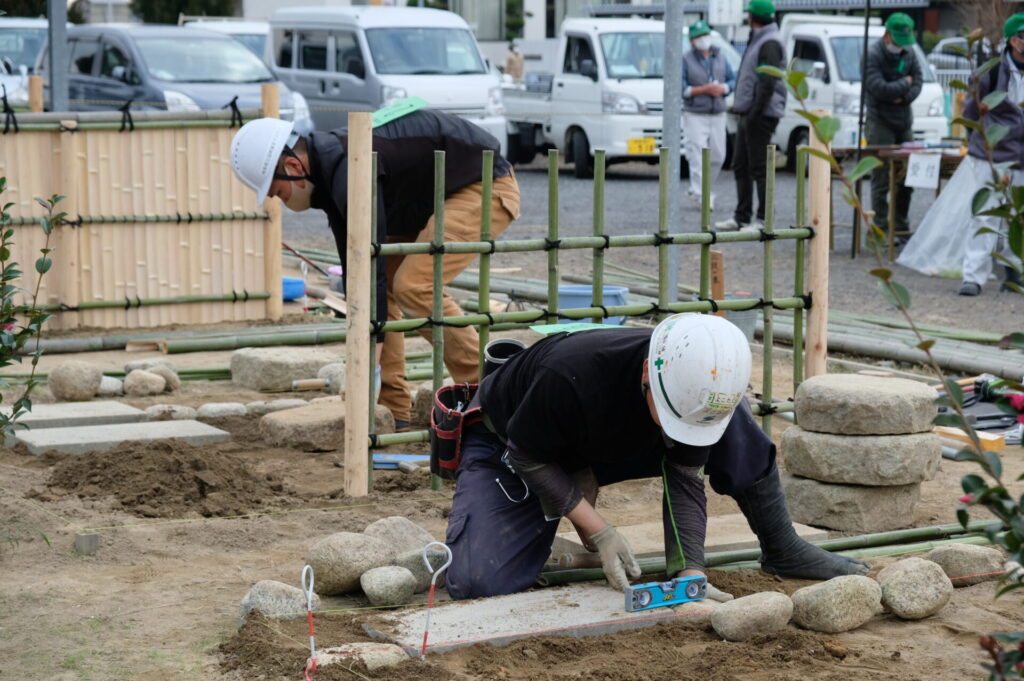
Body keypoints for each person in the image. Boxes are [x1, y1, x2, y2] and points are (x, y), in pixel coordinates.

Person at [443, 314, 869, 600]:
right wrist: (598, 528)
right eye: (669, 416)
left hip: (608, 442)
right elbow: (527, 454)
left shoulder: (693, 385)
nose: (675, 429)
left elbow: (684, 477)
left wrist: (690, 573)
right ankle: (548, 512)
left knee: (735, 422)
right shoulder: (569, 375)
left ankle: (782, 546)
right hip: (518, 444)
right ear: (648, 375)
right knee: (479, 579)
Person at [230, 109, 521, 428]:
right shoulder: (330, 174)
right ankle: (393, 410)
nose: (280, 200)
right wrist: (366, 338)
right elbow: (359, 267)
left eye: (277, 191)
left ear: (293, 166)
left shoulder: (349, 166)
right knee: (386, 289)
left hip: (482, 184)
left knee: (413, 285)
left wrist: (371, 357)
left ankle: (491, 392)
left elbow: (371, 265)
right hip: (423, 203)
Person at [957, 13, 1024, 297]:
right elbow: (970, 112)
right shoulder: (991, 71)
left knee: (1019, 216)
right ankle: (973, 276)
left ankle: (1013, 270)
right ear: (1013, 41)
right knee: (985, 214)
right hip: (993, 153)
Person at [715, 0, 786, 232]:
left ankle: (764, 219)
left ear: (752, 17)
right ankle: (742, 216)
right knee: (740, 164)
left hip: (760, 113)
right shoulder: (761, 38)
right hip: (751, 112)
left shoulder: (769, 42)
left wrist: (755, 112)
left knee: (758, 166)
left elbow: (767, 83)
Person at [864, 13, 923, 242]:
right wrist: (903, 84)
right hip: (879, 121)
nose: (900, 45)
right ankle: (879, 228)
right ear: (887, 35)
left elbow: (917, 82)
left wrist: (903, 94)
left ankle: (901, 226)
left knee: (907, 177)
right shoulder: (873, 54)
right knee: (881, 177)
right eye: (897, 40)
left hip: (904, 121)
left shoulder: (910, 52)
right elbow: (877, 87)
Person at [682, 19, 736, 209]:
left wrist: (722, 88)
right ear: (692, 40)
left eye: (704, 35)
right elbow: (682, 89)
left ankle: (705, 188)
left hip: (718, 113)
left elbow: (732, 80)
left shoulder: (720, 56)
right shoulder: (686, 59)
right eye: (698, 37)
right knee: (696, 154)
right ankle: (700, 194)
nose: (702, 40)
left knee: (718, 156)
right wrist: (704, 89)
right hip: (695, 113)